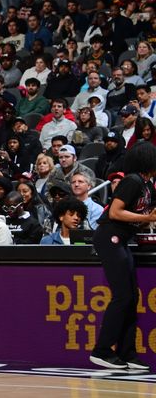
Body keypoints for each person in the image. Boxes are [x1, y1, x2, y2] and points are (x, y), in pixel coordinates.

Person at [89, 142, 156, 371]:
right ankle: (102, 350)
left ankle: (127, 353)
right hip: (109, 237)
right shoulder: (132, 181)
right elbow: (116, 211)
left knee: (132, 298)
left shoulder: (148, 185)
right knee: (122, 296)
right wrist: (147, 219)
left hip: (122, 239)